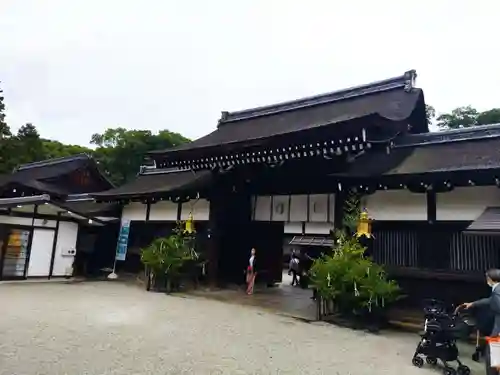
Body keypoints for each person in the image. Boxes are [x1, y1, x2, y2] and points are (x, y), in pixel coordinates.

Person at [458, 269, 500, 375]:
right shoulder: (497, 290)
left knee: (492, 355)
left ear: (490, 279)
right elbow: (490, 300)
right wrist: (473, 304)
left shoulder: (497, 291)